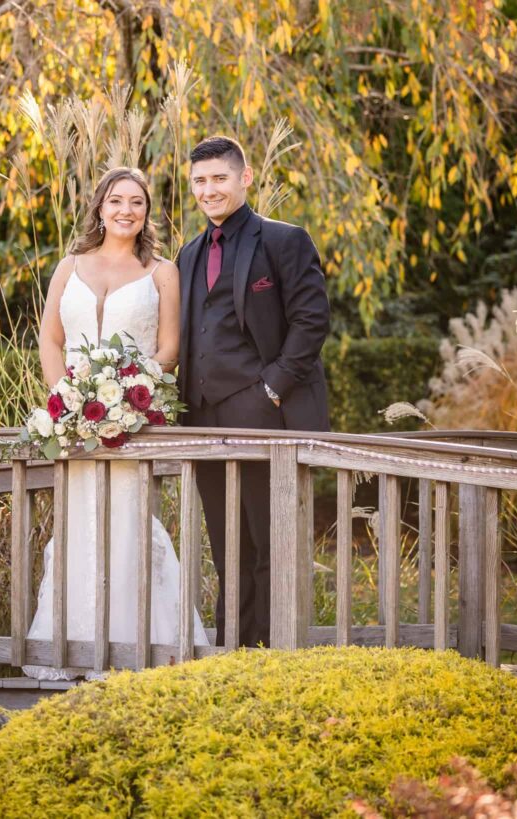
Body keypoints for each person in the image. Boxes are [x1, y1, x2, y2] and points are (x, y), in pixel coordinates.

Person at [25, 166, 209, 681]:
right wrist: (66, 398)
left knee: (128, 526)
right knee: (78, 527)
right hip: (74, 428)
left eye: (137, 203)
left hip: (133, 423)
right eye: (116, 201)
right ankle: (73, 647)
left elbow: (169, 348)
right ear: (100, 208)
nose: (126, 210)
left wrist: (132, 397)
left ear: (147, 213)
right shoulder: (69, 266)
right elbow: (51, 339)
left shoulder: (162, 272)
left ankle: (140, 649)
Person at [177, 136, 330, 648]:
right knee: (227, 547)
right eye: (199, 180)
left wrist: (273, 388)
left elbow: (312, 321)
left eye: (219, 178)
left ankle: (273, 657)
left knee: (270, 543)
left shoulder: (284, 240)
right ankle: (232, 653)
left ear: (244, 178)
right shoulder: (189, 253)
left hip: (265, 413)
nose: (209, 189)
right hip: (202, 418)